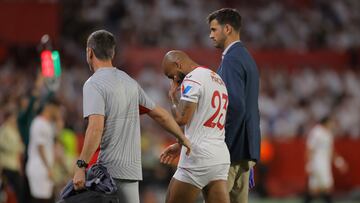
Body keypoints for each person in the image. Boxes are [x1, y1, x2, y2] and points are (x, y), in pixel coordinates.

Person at [72, 30, 191, 203]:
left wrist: (80, 166)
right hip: (131, 171)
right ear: (112, 53)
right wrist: (182, 138)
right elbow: (161, 115)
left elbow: (95, 128)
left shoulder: (93, 83)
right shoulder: (129, 82)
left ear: (89, 52)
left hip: (106, 171)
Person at [160, 50, 230, 203]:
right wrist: (180, 144)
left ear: (178, 64)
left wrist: (172, 97)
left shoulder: (192, 79)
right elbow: (202, 120)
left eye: (171, 76)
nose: (174, 80)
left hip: (198, 156)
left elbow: (181, 118)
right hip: (219, 157)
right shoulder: (217, 78)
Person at [207, 8, 261, 203]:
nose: (210, 35)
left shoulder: (231, 59)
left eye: (214, 29)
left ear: (227, 28)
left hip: (231, 150)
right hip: (246, 148)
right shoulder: (246, 57)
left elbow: (236, 106)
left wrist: (222, 145)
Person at [26, 99, 63, 203]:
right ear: (50, 107)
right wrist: (48, 168)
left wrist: (59, 123)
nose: (58, 113)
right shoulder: (39, 123)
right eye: (57, 110)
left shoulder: (48, 124)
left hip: (45, 168)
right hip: (39, 168)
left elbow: (56, 142)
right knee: (41, 200)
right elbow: (40, 147)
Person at [305, 116, 347, 203]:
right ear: (325, 122)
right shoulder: (316, 132)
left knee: (314, 189)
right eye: (330, 122)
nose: (332, 124)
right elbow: (310, 149)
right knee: (328, 186)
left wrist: (338, 161)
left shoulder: (328, 133)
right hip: (318, 162)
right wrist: (309, 163)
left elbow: (330, 150)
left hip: (325, 162)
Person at [0, 105, 25, 203]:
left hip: (15, 165)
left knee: (18, 193)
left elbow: (21, 147)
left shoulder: (15, 131)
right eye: (13, 117)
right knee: (7, 192)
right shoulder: (4, 129)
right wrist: (14, 147)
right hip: (6, 165)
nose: (14, 119)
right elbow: (2, 145)